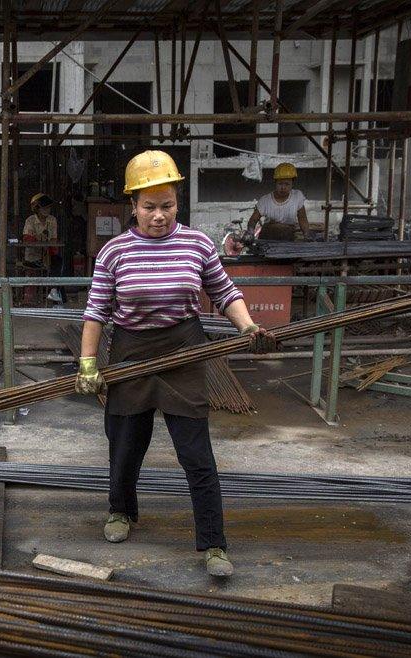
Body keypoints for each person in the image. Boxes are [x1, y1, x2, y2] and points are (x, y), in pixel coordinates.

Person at [76, 150, 276, 578]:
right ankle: (120, 511)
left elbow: (225, 293)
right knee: (125, 445)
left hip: (184, 349)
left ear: (177, 202)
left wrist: (247, 327)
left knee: (196, 454)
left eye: (167, 205)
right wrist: (88, 363)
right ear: (132, 206)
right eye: (149, 207)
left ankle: (213, 542)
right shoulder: (113, 252)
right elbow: (96, 311)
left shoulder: (198, 244)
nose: (159, 215)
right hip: (130, 351)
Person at [244, 162, 315, 242]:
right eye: (280, 184)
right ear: (275, 182)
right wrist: (250, 232)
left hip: (288, 238)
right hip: (267, 238)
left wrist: (307, 234)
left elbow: (302, 218)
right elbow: (253, 220)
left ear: (292, 184)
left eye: (287, 184)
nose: (283, 187)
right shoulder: (265, 200)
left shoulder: (297, 197)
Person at [22, 193, 65, 304]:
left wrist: (44, 242)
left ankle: (54, 290)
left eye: (48, 207)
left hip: (48, 256)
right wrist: (39, 240)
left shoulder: (52, 220)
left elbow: (54, 240)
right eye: (44, 207)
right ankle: (31, 299)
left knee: (58, 261)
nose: (47, 210)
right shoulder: (30, 221)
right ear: (37, 208)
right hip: (33, 257)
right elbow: (27, 239)